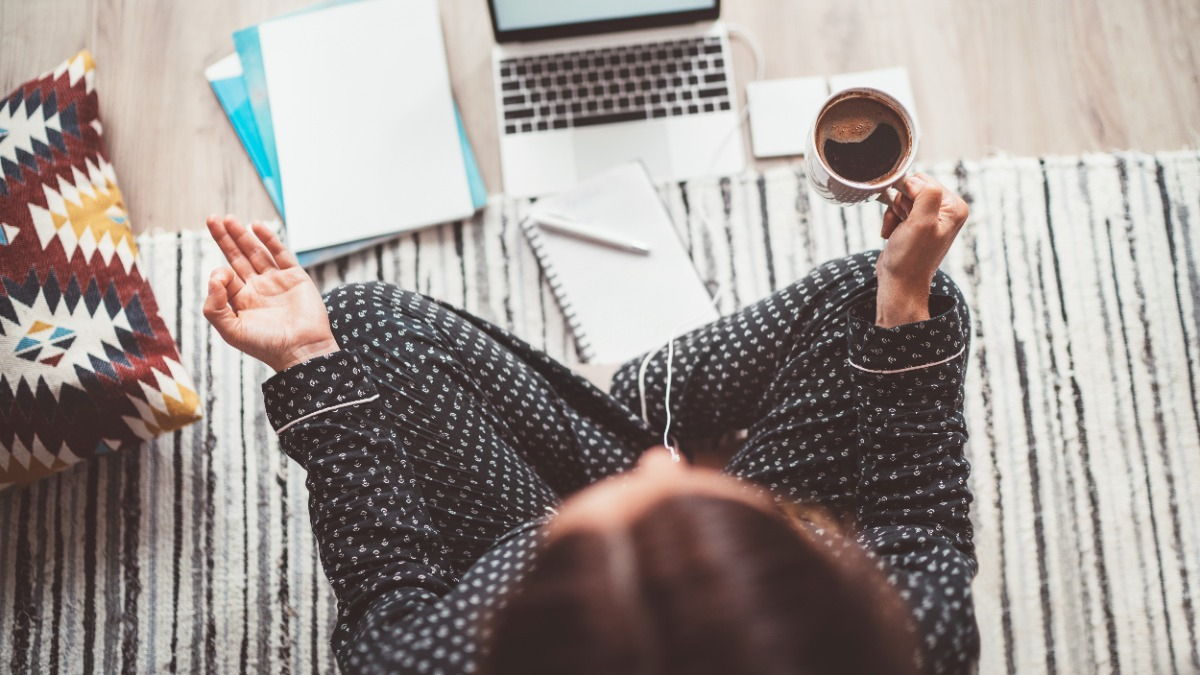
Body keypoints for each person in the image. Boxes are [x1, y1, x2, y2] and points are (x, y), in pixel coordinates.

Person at [203, 173, 977, 675]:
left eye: (635, 499)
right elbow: (918, 521)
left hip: (509, 532)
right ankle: (649, 394)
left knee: (362, 328)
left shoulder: (423, 658)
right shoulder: (910, 639)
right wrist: (905, 295)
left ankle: (641, 403)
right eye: (677, 491)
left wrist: (308, 356)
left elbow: (386, 590)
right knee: (872, 300)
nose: (662, 466)